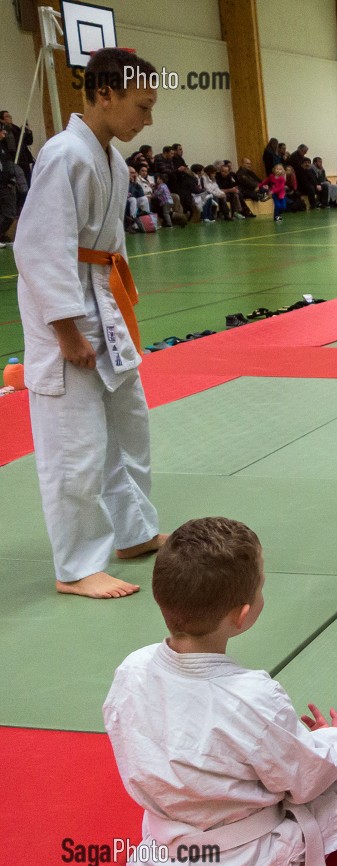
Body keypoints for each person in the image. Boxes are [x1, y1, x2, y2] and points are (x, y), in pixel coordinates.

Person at [103, 517, 337, 866]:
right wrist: (332, 739)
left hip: (163, 857)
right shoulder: (250, 696)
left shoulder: (132, 670)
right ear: (244, 614)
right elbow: (306, 782)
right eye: (261, 584)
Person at [16, 47, 165, 599]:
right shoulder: (64, 155)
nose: (147, 119)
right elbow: (37, 248)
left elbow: (111, 249)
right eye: (142, 106)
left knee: (129, 425)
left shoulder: (113, 162)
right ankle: (76, 566)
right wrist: (65, 331)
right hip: (67, 315)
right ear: (105, 94)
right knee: (73, 443)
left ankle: (133, 532)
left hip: (103, 303)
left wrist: (119, 313)